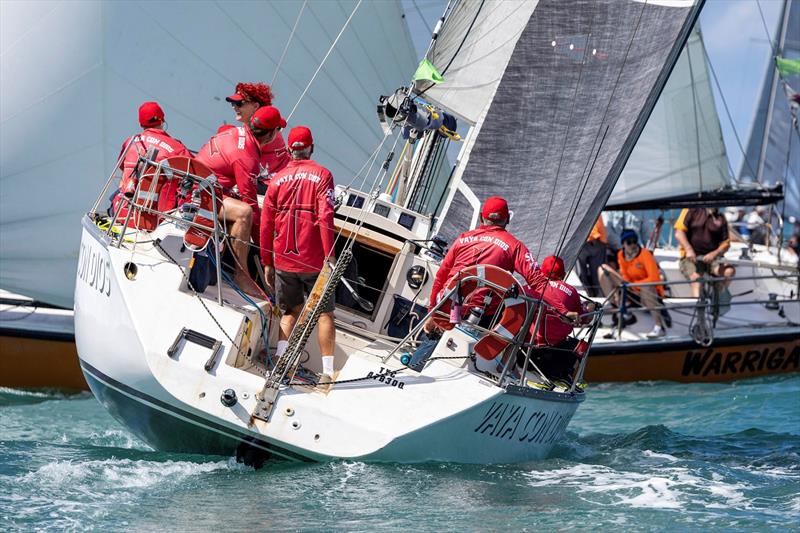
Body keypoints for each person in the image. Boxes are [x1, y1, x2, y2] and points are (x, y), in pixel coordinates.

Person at [260, 126, 337, 380]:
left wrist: (266, 262)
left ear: (289, 150)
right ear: (311, 147)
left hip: (284, 259)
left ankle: (280, 363)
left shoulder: (276, 180)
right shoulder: (323, 175)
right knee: (324, 314)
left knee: (290, 311)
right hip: (315, 261)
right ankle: (326, 374)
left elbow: (266, 224)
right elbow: (326, 217)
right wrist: (330, 256)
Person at [195, 106, 286, 295]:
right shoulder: (247, 156)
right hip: (200, 197)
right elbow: (250, 204)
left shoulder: (239, 132)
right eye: (278, 131)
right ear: (270, 135)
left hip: (202, 189)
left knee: (242, 208)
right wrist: (266, 252)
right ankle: (242, 276)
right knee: (244, 213)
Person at [424, 196, 546, 334]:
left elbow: (441, 275)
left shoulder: (463, 238)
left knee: (428, 346)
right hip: (481, 316)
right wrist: (564, 310)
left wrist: (432, 311)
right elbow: (539, 282)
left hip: (446, 306)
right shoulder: (515, 246)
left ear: (482, 217)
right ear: (508, 219)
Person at [112, 101, 191, 216]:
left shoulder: (130, 142)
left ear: (141, 124)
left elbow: (123, 168)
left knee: (114, 196)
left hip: (121, 212)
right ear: (162, 119)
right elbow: (196, 176)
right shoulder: (177, 148)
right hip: (155, 218)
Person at [527, 255, 595, 381]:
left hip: (526, 349)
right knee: (579, 345)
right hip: (555, 352)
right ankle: (562, 377)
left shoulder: (530, 287)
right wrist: (591, 308)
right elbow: (584, 319)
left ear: (542, 271)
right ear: (563, 275)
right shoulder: (571, 291)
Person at [599, 229, 668, 338]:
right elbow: (624, 275)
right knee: (602, 269)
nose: (633, 244)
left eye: (635, 241)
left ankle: (659, 327)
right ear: (623, 244)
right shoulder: (621, 255)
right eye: (629, 242)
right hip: (631, 291)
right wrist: (628, 285)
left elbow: (654, 278)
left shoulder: (645, 254)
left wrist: (634, 284)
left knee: (646, 287)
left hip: (647, 294)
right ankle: (617, 305)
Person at [225, 82, 290, 182]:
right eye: (233, 104)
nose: (234, 107)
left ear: (255, 106)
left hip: (270, 184)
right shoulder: (265, 126)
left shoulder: (264, 130)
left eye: (239, 103)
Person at [674, 207, 736, 298]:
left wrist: (714, 253)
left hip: (713, 259)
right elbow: (679, 233)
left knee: (729, 271)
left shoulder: (721, 217)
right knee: (697, 279)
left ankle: (717, 299)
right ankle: (699, 308)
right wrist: (689, 249)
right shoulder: (690, 210)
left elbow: (726, 244)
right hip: (692, 258)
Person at [576, 216, 607, 296]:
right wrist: (604, 241)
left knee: (588, 273)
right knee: (593, 273)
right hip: (590, 242)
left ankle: (591, 296)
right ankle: (596, 296)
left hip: (585, 242)